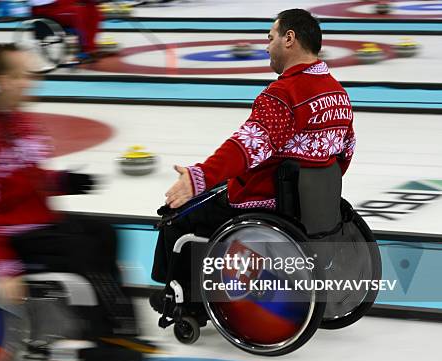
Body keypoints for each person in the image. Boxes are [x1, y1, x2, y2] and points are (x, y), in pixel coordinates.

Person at [0, 43, 154, 361]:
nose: (27, 82)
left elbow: (31, 177)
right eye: (17, 76)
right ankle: (101, 344)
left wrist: (64, 181)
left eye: (28, 75)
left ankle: (122, 332)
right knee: (82, 250)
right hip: (8, 234)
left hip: (38, 220)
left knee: (104, 233)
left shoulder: (20, 123)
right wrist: (4, 267)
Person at [150, 9, 356, 310]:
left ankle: (183, 301)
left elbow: (245, 147)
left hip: (267, 202)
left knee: (177, 216)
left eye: (270, 38)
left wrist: (199, 178)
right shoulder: (338, 94)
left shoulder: (284, 94)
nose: (266, 47)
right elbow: (344, 156)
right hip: (312, 209)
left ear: (290, 39)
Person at [29, 0, 101, 61]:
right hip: (46, 9)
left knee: (92, 8)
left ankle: (91, 49)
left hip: (61, 3)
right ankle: (85, 51)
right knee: (78, 12)